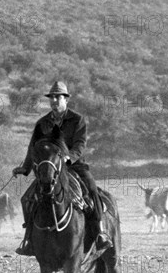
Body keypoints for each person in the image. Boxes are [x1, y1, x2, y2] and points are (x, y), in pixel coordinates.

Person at [12, 81, 111, 256]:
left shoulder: (77, 120)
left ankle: (100, 233)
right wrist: (25, 168)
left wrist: (68, 157)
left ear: (66, 99)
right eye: (52, 98)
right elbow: (33, 148)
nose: (54, 101)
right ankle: (29, 240)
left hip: (75, 167)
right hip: (50, 170)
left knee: (92, 191)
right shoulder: (42, 123)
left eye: (58, 97)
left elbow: (80, 145)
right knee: (26, 199)